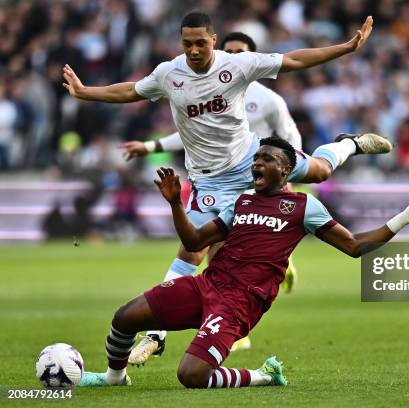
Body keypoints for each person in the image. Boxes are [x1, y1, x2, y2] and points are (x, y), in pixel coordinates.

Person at [63, 12, 392, 363]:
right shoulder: (169, 73)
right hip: (209, 180)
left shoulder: (237, 66)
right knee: (192, 251)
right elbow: (131, 90)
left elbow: (295, 59)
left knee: (321, 170)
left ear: (213, 40)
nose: (193, 50)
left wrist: (345, 48)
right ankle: (155, 335)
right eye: (187, 43)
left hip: (253, 158)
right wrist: (86, 92)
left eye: (200, 43)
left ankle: (349, 143)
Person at [78, 136, 409, 388]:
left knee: (191, 376)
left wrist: (405, 217)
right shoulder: (240, 203)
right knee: (125, 316)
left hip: (240, 302)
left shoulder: (304, 207)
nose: (257, 164)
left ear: (286, 170)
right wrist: (176, 203)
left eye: (266, 160)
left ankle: (264, 376)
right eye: (256, 159)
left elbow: (353, 247)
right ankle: (114, 378)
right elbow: (193, 241)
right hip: (207, 284)